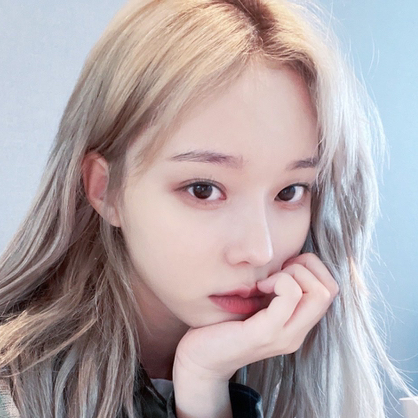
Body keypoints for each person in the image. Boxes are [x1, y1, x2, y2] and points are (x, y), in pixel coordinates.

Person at [0, 0, 414, 417]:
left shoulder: (282, 373)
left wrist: (203, 384)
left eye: (289, 192)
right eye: (203, 190)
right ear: (106, 189)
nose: (260, 251)